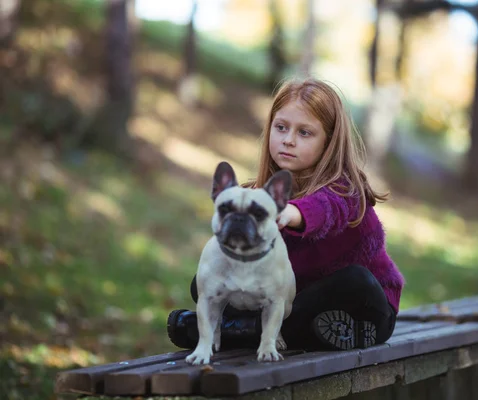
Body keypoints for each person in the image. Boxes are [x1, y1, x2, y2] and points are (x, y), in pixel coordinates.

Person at [167, 77, 405, 351]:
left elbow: (326, 209)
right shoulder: (260, 197)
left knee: (355, 280)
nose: (288, 140)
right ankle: (265, 330)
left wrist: (293, 213)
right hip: (295, 302)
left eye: (305, 133)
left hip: (366, 308)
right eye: (281, 128)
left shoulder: (345, 190)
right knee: (203, 281)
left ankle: (235, 333)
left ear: (329, 142)